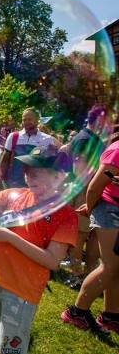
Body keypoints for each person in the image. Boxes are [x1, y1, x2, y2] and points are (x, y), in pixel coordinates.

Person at [0, 145, 77, 354]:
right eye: (27, 169)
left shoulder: (66, 215)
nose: (28, 175)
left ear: (59, 176)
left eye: (37, 170)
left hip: (21, 290)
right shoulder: (15, 195)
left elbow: (51, 260)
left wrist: (10, 237)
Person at [61, 128, 119, 335]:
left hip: (112, 209)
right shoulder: (117, 150)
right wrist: (91, 208)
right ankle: (77, 311)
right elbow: (94, 187)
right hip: (110, 209)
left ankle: (111, 314)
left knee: (115, 266)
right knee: (111, 266)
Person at [0, 107, 58, 188]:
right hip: (14, 182)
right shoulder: (13, 136)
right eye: (24, 120)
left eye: (30, 119)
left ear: (37, 120)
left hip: (37, 184)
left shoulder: (47, 139)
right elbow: (5, 157)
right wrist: (2, 175)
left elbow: (50, 163)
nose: (26, 122)